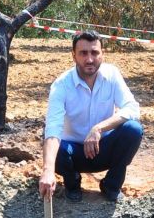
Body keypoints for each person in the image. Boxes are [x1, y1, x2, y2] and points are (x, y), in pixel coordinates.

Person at [38, 30, 144, 203]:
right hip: (73, 155)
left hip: (103, 150)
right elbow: (53, 128)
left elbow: (132, 108)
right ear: (73, 56)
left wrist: (98, 128)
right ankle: (72, 184)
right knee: (58, 150)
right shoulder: (61, 85)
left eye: (94, 52)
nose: (89, 59)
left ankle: (111, 185)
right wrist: (48, 170)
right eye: (83, 53)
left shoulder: (112, 75)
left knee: (133, 129)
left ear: (102, 54)